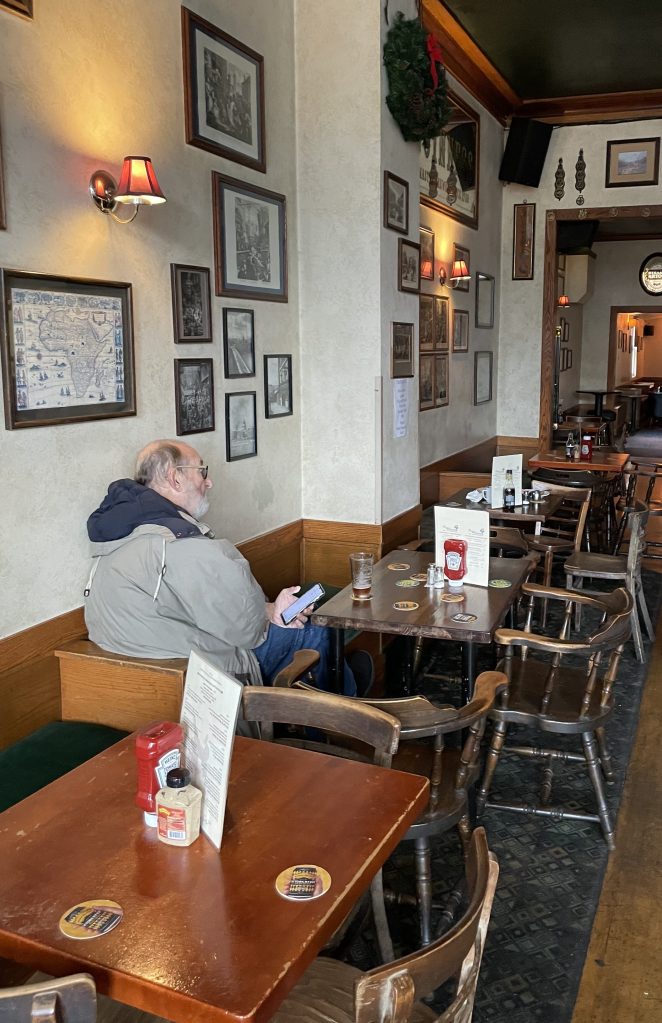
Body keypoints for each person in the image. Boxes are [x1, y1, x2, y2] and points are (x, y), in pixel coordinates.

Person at [84, 439, 370, 696]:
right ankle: (346, 714)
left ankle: (333, 690)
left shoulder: (116, 533)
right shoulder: (182, 543)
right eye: (202, 471)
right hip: (201, 672)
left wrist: (270, 611)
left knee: (293, 628)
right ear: (175, 479)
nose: (208, 483)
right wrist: (271, 612)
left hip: (132, 663)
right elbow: (248, 630)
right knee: (314, 628)